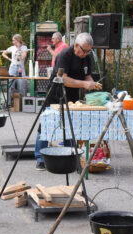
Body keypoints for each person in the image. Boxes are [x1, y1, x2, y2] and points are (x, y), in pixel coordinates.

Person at [35, 33, 102, 170]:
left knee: (71, 125)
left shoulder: (87, 57)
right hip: (55, 93)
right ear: (76, 45)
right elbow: (63, 79)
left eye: (89, 51)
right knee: (47, 124)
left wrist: (92, 84)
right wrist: (84, 84)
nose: (86, 53)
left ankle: (71, 155)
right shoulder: (65, 55)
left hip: (72, 95)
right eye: (84, 50)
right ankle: (40, 158)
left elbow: (87, 75)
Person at [35, 33, 69, 170]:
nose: (52, 40)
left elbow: (58, 59)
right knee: (46, 122)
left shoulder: (64, 48)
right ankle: (40, 157)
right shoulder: (62, 48)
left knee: (66, 123)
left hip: (62, 87)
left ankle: (68, 154)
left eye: (53, 38)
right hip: (54, 86)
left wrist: (50, 51)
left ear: (59, 38)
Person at [2, 34, 28, 102]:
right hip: (13, 67)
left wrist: (19, 48)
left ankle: (23, 103)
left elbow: (23, 57)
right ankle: (9, 103)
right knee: (10, 85)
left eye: (13, 40)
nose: (12, 42)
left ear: (18, 40)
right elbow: (3, 53)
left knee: (22, 85)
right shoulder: (12, 47)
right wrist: (9, 59)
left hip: (21, 67)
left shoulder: (24, 47)